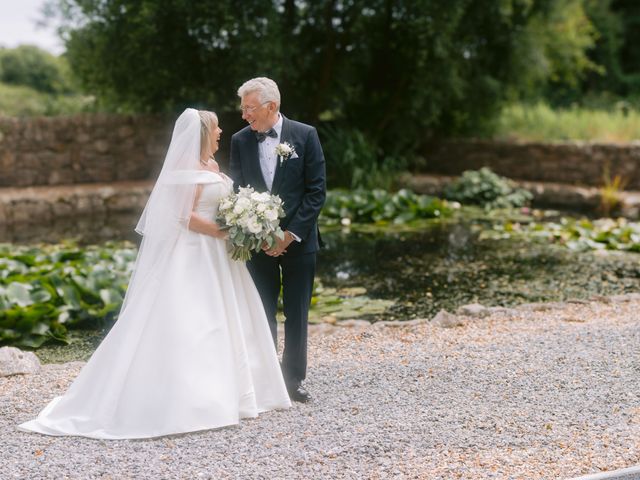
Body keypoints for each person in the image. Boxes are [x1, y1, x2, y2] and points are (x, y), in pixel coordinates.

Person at [18, 109, 291, 440]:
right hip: (195, 252)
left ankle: (234, 393)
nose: (221, 133)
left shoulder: (213, 168)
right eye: (217, 128)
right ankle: (192, 401)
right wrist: (226, 231)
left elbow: (219, 207)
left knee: (227, 317)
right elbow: (184, 217)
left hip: (220, 256)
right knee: (196, 320)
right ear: (204, 133)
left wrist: (241, 221)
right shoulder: (185, 170)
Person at [230, 77, 326, 403]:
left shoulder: (306, 135)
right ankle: (266, 380)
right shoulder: (239, 141)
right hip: (257, 244)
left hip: (299, 242)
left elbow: (316, 192)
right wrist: (257, 233)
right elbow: (238, 191)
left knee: (297, 313)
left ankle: (293, 381)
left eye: (249, 108)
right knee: (262, 311)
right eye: (243, 109)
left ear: (272, 106)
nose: (244, 115)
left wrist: (288, 235)